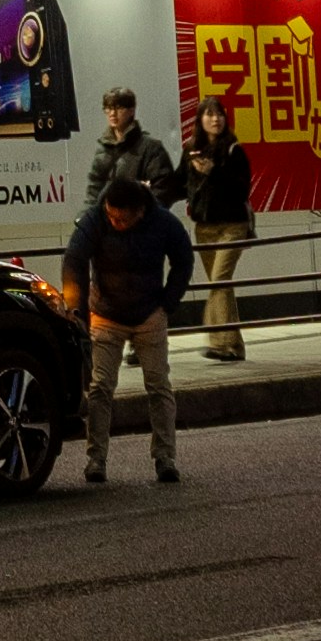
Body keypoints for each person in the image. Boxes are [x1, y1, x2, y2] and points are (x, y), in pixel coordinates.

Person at [62, 175, 193, 485]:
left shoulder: (162, 221)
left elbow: (184, 258)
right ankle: (96, 459)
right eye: (110, 215)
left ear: (140, 211)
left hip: (149, 314)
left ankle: (165, 457)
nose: (114, 222)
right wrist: (78, 311)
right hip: (106, 314)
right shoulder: (96, 219)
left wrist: (167, 303)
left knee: (158, 385)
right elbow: (74, 260)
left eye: (121, 218)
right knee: (100, 387)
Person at [180, 93, 255, 361]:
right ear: (200, 119)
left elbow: (241, 188)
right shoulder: (191, 150)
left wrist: (214, 172)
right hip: (204, 226)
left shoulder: (234, 150)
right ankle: (235, 345)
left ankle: (222, 344)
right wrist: (148, 194)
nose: (216, 119)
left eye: (219, 114)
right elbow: (179, 184)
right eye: (210, 114)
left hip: (232, 225)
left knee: (220, 281)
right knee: (219, 284)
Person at [83, 85, 179, 209]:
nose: (112, 113)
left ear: (132, 110)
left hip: (141, 221)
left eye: (118, 108)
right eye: (108, 108)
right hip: (108, 222)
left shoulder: (151, 148)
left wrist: (140, 212)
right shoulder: (103, 149)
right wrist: (86, 220)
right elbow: (93, 190)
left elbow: (163, 190)